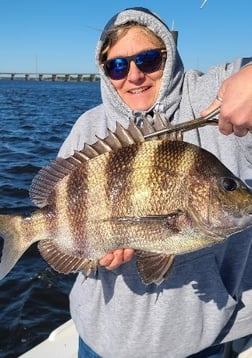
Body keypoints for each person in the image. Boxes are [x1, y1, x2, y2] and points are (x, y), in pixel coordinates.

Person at [58, 7, 252, 358]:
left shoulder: (212, 99)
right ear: (104, 72)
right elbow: (65, 223)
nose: (133, 76)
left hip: (202, 343)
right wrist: (90, 252)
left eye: (148, 60)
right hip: (100, 341)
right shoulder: (88, 128)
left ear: (170, 54)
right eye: (117, 66)